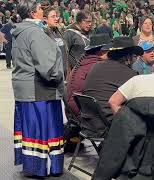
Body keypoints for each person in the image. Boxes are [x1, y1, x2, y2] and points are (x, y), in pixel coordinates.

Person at [12, 0, 64, 177]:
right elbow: (47, 65)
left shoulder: (21, 31)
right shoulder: (35, 32)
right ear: (33, 14)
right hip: (39, 90)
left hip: (24, 87)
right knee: (43, 131)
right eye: (41, 8)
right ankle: (44, 167)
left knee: (31, 130)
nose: (43, 10)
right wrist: (58, 77)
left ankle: (33, 166)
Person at [82, 37, 143, 124]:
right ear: (128, 58)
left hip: (90, 123)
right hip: (110, 123)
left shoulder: (95, 66)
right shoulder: (130, 75)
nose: (134, 60)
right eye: (134, 56)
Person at [66, 34, 112, 117]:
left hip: (76, 110)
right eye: (109, 51)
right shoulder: (96, 66)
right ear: (101, 52)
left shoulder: (85, 61)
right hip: (84, 113)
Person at [43, 7, 68, 77]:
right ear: (45, 19)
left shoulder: (58, 32)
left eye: (56, 16)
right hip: (53, 76)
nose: (56, 19)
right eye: (53, 17)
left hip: (64, 73)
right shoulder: (42, 35)